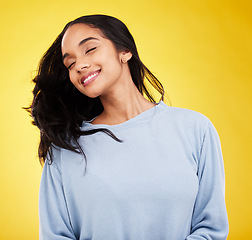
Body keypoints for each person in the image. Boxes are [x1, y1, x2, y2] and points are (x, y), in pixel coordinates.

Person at [28, 14, 229, 239]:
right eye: (70, 63)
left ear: (124, 51)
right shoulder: (65, 149)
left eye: (90, 49)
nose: (80, 65)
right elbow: (56, 235)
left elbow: (210, 228)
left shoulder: (195, 129)